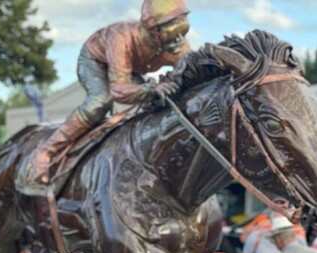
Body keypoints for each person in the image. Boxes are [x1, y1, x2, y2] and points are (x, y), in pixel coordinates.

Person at [17, 0, 190, 190]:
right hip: (96, 61)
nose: (178, 43)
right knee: (100, 101)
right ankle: (46, 151)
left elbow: (191, 71)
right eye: (171, 36)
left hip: (128, 69)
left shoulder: (177, 44)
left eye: (182, 33)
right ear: (154, 32)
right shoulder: (121, 37)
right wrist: (151, 89)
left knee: (155, 106)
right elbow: (118, 90)